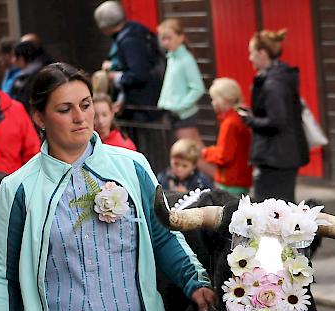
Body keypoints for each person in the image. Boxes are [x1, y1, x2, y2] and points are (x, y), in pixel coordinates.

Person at [0, 62, 216, 311]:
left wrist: (195, 281)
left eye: (86, 104)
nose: (80, 117)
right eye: (65, 109)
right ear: (39, 117)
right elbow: (1, 278)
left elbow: (162, 236)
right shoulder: (19, 190)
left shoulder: (133, 166)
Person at [241, 29, 309, 203]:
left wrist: (249, 120)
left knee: (272, 207)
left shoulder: (273, 84)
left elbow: (277, 120)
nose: (250, 58)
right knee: (284, 204)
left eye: (252, 53)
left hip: (276, 157)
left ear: (262, 53)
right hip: (283, 154)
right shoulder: (282, 77)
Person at [94, 1, 162, 121]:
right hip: (148, 100)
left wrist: (115, 77)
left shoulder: (129, 41)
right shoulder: (134, 29)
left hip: (142, 105)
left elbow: (139, 73)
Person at [156, 19, 205, 148]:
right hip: (175, 114)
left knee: (190, 154)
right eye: (163, 38)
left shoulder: (186, 59)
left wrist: (179, 107)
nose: (165, 42)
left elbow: (198, 88)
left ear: (180, 37)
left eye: (169, 38)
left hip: (184, 115)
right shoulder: (172, 57)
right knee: (192, 151)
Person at [202, 78, 252, 196]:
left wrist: (207, 152)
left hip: (230, 180)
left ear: (223, 100)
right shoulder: (242, 116)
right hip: (242, 177)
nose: (212, 103)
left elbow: (224, 156)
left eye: (214, 99)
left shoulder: (229, 123)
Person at [10, 41, 49, 112]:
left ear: (21, 58)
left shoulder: (38, 77)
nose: (13, 61)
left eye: (15, 57)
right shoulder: (21, 75)